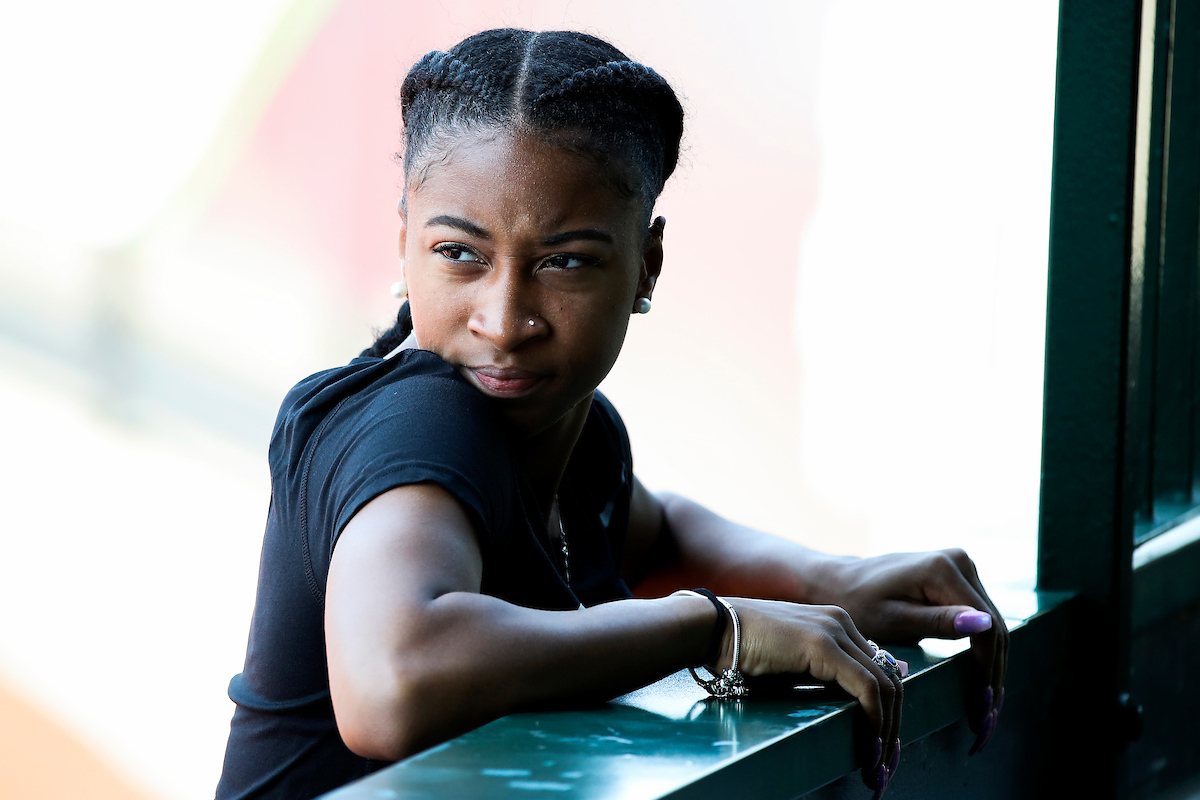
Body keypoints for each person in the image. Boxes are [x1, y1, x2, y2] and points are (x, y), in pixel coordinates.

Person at [215, 28, 1008, 800]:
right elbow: (395, 682)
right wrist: (716, 626)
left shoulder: (576, 431)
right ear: (404, 243)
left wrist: (830, 581)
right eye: (460, 253)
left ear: (646, 264)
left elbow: (658, 529)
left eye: (565, 262)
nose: (504, 318)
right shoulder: (414, 422)